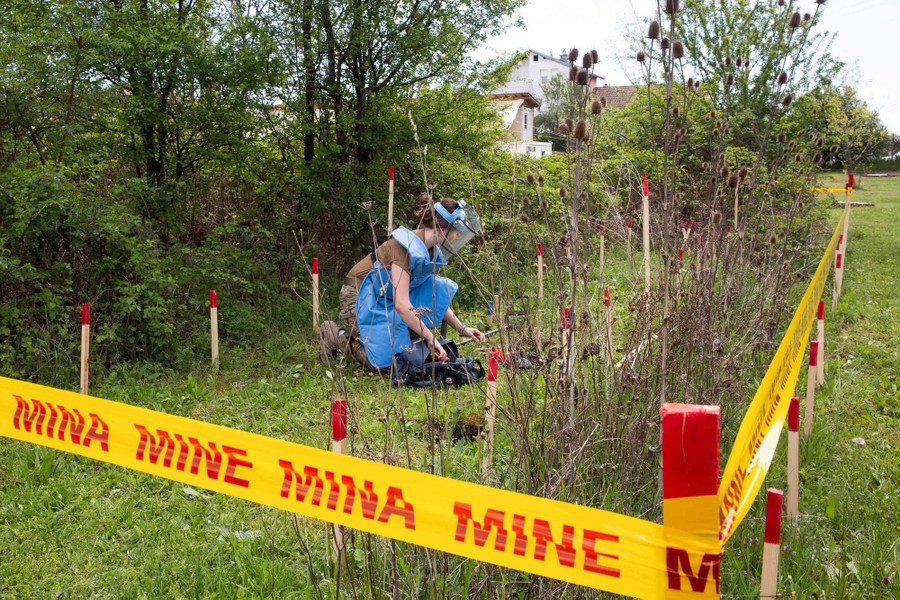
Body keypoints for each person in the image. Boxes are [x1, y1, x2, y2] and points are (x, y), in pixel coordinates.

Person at [319, 194, 487, 371]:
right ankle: (336, 335)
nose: (455, 238)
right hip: (360, 294)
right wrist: (430, 337)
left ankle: (386, 338)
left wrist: (462, 328)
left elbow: (429, 292)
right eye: (455, 233)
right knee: (388, 365)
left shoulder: (429, 251)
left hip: (385, 296)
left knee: (406, 354)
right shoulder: (404, 247)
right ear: (442, 229)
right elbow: (402, 304)